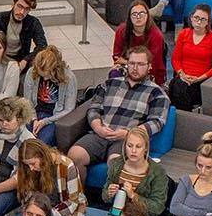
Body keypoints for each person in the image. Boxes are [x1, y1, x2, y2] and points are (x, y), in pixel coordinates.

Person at [67, 46, 169, 174]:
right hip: (101, 133)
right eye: (132, 63)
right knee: (74, 156)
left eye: (140, 64)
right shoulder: (110, 83)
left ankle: (109, 194)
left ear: (149, 66)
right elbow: (94, 108)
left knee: (115, 165)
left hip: (128, 139)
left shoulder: (157, 93)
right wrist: (98, 127)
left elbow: (157, 122)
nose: (135, 68)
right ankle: (80, 194)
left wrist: (129, 133)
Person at [98, 125, 169, 216]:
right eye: (130, 146)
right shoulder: (116, 164)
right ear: (125, 146)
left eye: (138, 146)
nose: (133, 151)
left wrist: (133, 196)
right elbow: (104, 197)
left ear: (146, 148)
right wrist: (109, 193)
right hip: (118, 215)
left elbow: (158, 207)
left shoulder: (157, 172)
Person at [8, 140, 86, 216]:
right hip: (39, 210)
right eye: (27, 165)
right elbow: (27, 196)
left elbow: (73, 201)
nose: (31, 168)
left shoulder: (66, 166)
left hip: (64, 210)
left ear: (42, 156)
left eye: (33, 164)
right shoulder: (28, 168)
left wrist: (47, 214)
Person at [168, 5, 212, 111]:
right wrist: (182, 74)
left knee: (182, 89)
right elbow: (175, 59)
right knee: (180, 86)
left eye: (203, 19)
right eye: (196, 18)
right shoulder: (184, 34)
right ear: (191, 18)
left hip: (201, 79)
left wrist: (199, 78)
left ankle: (180, 116)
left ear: (208, 22)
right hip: (182, 77)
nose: (199, 22)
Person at [22, 45, 79, 147]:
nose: (44, 79)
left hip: (54, 117)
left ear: (55, 69)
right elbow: (28, 101)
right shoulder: (31, 72)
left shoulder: (69, 78)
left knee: (40, 145)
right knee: (21, 139)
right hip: (33, 112)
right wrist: (34, 119)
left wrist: (45, 121)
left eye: (47, 75)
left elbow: (69, 109)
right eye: (41, 75)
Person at [0, 0, 47, 70]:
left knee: (42, 60)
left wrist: (26, 60)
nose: (21, 12)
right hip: (0, 57)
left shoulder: (33, 23)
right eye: (19, 6)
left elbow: (42, 46)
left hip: (20, 59)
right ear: (13, 4)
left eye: (26, 9)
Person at [112, 0, 168, 86]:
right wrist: (134, 65)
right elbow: (117, 57)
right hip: (128, 67)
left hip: (149, 70)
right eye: (134, 14)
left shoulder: (156, 35)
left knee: (138, 84)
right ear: (129, 17)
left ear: (147, 15)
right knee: (115, 74)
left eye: (142, 13)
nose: (138, 17)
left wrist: (131, 64)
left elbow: (153, 64)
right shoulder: (121, 31)